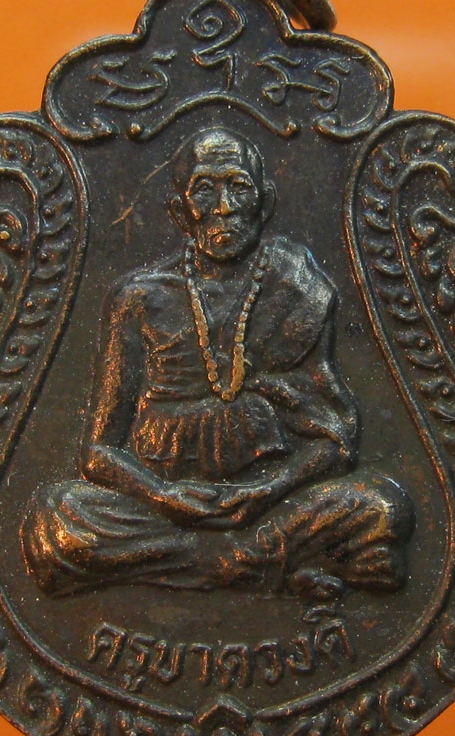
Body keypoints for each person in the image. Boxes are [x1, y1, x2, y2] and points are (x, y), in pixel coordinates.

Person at [21, 128, 413, 597]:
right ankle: (249, 565)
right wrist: (162, 495)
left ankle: (219, 562)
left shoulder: (298, 288)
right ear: (179, 211)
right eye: (204, 189)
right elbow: (97, 453)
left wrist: (266, 491)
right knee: (56, 518)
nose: (224, 207)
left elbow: (334, 439)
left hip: (268, 502)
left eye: (238, 187)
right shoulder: (139, 297)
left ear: (264, 203)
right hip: (163, 504)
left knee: (382, 507)